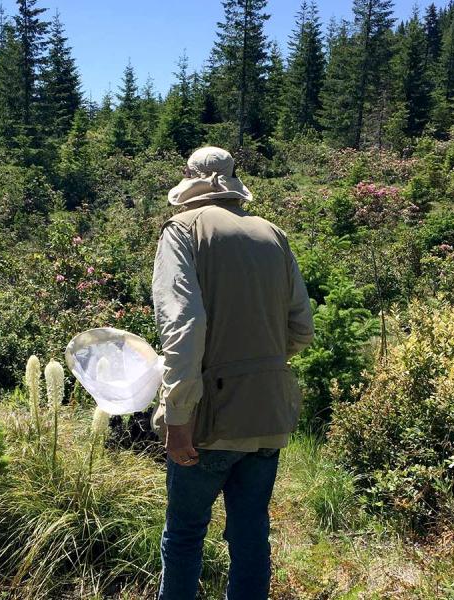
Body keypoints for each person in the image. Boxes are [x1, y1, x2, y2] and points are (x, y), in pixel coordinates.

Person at [150, 146, 315, 599]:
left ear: (189, 180)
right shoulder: (272, 234)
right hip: (269, 412)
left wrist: (178, 416)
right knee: (250, 533)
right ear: (233, 182)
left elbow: (183, 327)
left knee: (185, 534)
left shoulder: (182, 230)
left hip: (210, 416)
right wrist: (258, 365)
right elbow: (301, 329)